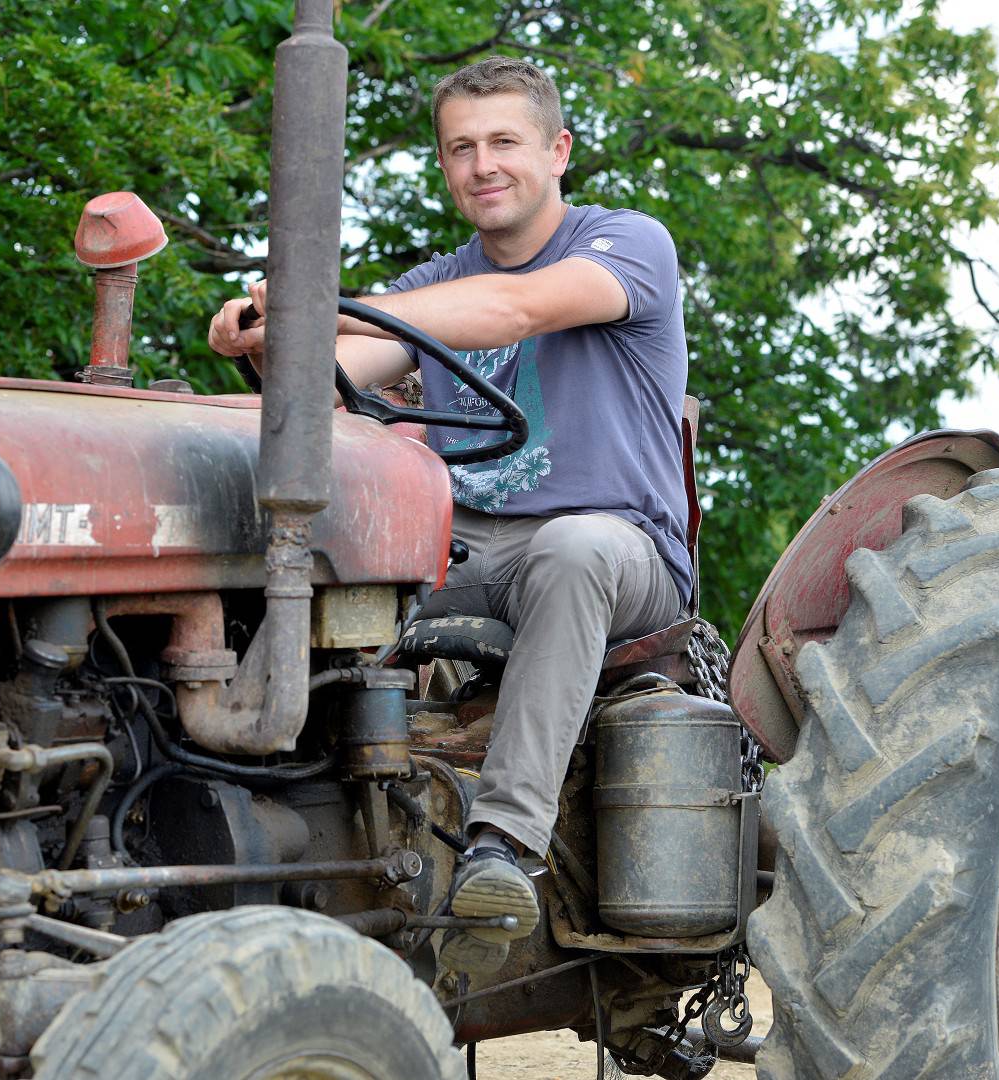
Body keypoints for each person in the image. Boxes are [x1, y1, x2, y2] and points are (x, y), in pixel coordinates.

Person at [208, 56, 691, 974]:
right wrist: (268, 340)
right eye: (461, 148)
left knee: (574, 550)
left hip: (621, 551)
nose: (483, 165)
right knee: (312, 558)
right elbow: (352, 373)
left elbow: (509, 309)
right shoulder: (437, 279)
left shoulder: (626, 244)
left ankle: (502, 845)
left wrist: (326, 313)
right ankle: (267, 819)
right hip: (465, 552)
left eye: (504, 142)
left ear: (557, 151)